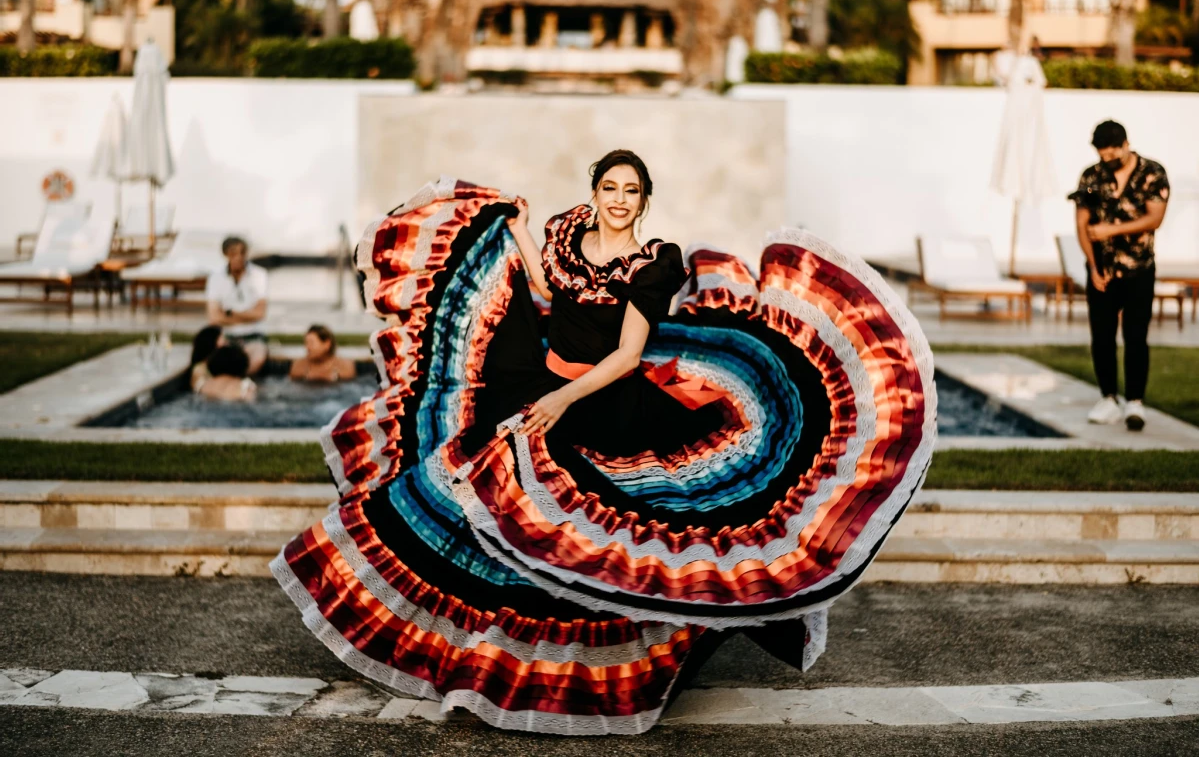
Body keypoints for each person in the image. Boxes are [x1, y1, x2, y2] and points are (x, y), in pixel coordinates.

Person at [270, 154, 936, 735]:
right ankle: (491, 661)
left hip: (606, 399)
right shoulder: (565, 232)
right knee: (465, 483)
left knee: (605, 525)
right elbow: (544, 295)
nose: (619, 200)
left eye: (631, 191)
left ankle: (626, 664)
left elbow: (626, 355)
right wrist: (521, 234)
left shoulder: (655, 261)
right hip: (540, 377)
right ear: (594, 191)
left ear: (643, 202)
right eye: (610, 187)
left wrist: (560, 400)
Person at [1070, 120, 1170, 431]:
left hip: (1139, 269)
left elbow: (1155, 218)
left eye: (1113, 152)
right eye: (1103, 153)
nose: (1108, 158)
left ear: (1126, 145)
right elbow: (1082, 224)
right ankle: (1108, 397)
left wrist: (1111, 229)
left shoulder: (1152, 173)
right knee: (1101, 336)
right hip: (1102, 272)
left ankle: (1135, 403)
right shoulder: (1091, 176)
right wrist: (1093, 266)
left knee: (1136, 335)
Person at [206, 236, 268, 375]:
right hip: (227, 337)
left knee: (256, 360)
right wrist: (248, 315)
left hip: (254, 335)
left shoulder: (259, 275)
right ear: (226, 254)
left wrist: (230, 313)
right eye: (234, 253)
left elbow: (260, 314)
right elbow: (214, 317)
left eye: (242, 253)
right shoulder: (216, 277)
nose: (239, 257)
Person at [289, 325, 357, 383]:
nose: (307, 347)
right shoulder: (299, 365)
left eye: (311, 343)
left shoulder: (344, 365)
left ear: (327, 344)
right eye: (306, 343)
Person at [188, 324, 225, 392]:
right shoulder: (199, 369)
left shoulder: (212, 365)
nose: (226, 343)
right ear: (211, 343)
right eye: (222, 341)